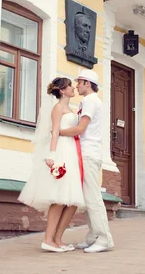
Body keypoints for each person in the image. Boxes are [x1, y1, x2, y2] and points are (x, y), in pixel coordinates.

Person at [18, 77, 85, 253]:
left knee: (70, 199)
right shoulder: (58, 108)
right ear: (62, 90)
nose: (73, 88)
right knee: (59, 197)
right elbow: (54, 131)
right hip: (62, 150)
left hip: (72, 150)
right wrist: (52, 155)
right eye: (70, 86)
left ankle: (58, 239)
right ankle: (48, 239)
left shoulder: (70, 108)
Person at [59, 69, 114, 253]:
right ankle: (93, 237)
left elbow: (81, 128)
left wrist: (58, 132)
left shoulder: (91, 101)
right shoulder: (88, 101)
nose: (76, 85)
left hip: (89, 153)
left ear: (88, 84)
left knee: (93, 198)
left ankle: (104, 238)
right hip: (86, 153)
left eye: (79, 82)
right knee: (86, 198)